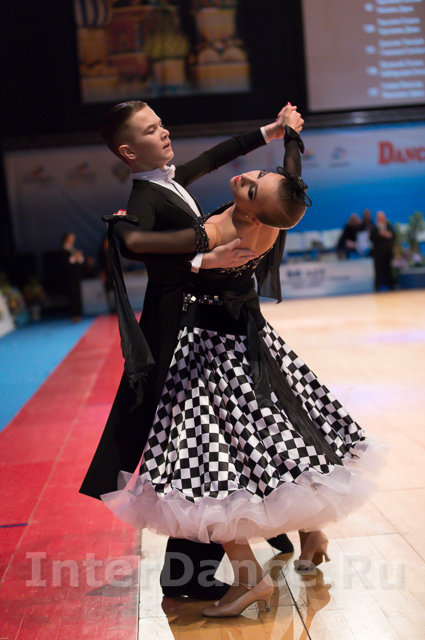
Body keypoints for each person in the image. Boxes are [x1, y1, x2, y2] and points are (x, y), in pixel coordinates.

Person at [97, 109, 386, 617]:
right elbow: (261, 173)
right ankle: (309, 531)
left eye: (252, 186)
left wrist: (196, 251)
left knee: (214, 458)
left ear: (253, 213)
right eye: (153, 127)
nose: (245, 178)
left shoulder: (230, 224)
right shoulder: (271, 211)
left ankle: (249, 573)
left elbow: (142, 244)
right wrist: (282, 135)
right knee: (275, 437)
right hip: (245, 338)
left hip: (214, 349)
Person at [80, 100, 297, 601]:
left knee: (201, 446)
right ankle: (198, 567)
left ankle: (189, 572)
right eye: (151, 130)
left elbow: (217, 156)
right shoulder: (144, 197)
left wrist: (271, 130)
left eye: (161, 124)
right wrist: (201, 253)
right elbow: (135, 243)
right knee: (195, 445)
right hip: (174, 332)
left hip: (201, 327)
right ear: (129, 151)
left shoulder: (170, 179)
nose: (164, 132)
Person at [60, 232, 85, 322]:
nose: (72, 240)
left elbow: (81, 260)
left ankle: (78, 314)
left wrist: (78, 256)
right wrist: (75, 256)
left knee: (77, 295)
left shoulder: (72, 249)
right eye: (70, 238)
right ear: (66, 239)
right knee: (72, 296)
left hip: (77, 277)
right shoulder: (64, 250)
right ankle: (73, 315)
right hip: (69, 277)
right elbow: (67, 262)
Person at [370, 210, 395, 291]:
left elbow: (393, 236)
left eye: (382, 217)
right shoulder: (374, 228)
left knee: (388, 270)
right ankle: (377, 288)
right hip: (378, 253)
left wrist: (388, 235)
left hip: (387, 252)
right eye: (379, 217)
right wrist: (380, 234)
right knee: (378, 271)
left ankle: (391, 287)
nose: (381, 219)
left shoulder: (389, 226)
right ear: (377, 218)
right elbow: (371, 238)